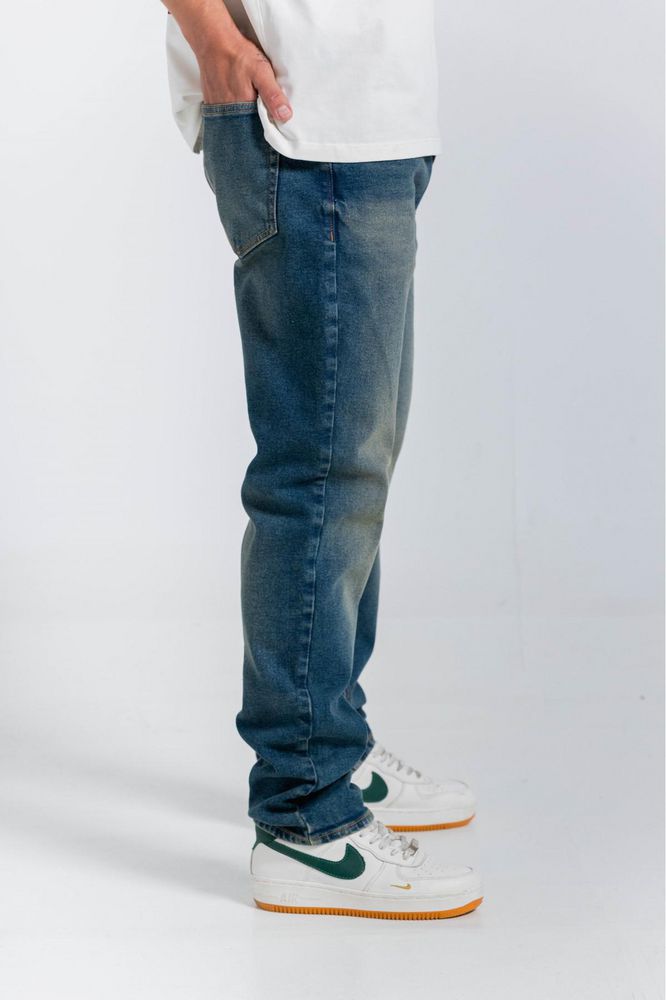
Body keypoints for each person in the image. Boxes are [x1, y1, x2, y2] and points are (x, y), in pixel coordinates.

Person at [163, 0, 482, 920]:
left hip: (374, 116)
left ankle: (332, 736)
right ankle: (305, 810)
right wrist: (214, 40)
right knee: (321, 474)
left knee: (357, 464)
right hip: (304, 120)